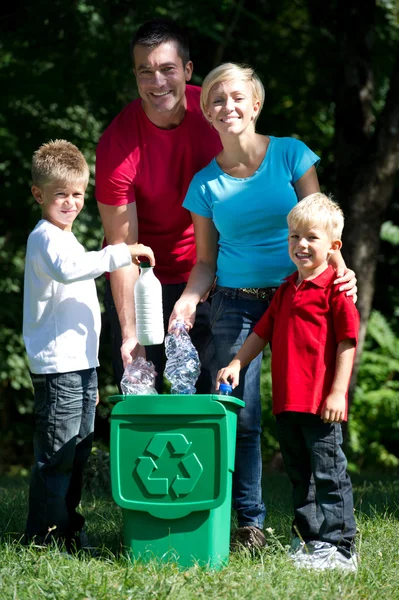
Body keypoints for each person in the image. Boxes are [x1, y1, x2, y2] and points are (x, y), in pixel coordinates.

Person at [169, 63, 357, 550]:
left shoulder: (291, 155)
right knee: (241, 413)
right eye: (215, 99)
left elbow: (323, 227)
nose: (226, 106)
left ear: (255, 105)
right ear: (207, 113)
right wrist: (189, 300)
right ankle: (250, 524)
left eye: (236, 97)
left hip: (302, 299)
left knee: (312, 411)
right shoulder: (204, 185)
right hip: (235, 304)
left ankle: (322, 531)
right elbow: (205, 261)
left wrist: (343, 270)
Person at [23, 139, 155, 552]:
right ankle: (44, 537)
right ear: (38, 194)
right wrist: (121, 251)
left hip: (78, 369)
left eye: (78, 194)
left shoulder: (68, 238)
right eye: (60, 194)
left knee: (77, 452)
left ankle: (67, 531)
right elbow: (70, 271)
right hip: (57, 369)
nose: (71, 202)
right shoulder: (46, 238)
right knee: (58, 455)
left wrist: (91, 373)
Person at [217, 193, 359, 571]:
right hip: (288, 403)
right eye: (294, 236)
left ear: (334, 246)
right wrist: (236, 362)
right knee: (300, 474)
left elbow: (347, 343)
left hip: (321, 404)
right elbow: (261, 333)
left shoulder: (336, 290)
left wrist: (337, 392)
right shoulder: (285, 289)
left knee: (329, 472)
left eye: (311, 237)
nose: (301, 244)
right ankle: (311, 539)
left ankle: (341, 546)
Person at [95, 18, 222, 392]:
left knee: (209, 398)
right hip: (140, 280)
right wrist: (131, 337)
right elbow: (122, 249)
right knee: (140, 397)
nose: (157, 82)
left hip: (207, 271)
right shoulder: (117, 144)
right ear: (134, 75)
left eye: (167, 69)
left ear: (187, 70)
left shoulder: (218, 117)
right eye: (145, 72)